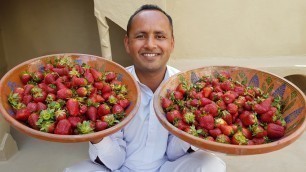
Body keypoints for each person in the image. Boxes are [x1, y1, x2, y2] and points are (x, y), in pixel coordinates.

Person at [64, 4, 226, 172]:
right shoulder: (112, 88)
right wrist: (97, 136)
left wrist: (197, 129)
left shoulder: (185, 88)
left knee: (211, 165)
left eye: (160, 36)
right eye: (141, 36)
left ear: (171, 43)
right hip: (122, 168)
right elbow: (115, 161)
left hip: (168, 168)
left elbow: (173, 154)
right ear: (127, 43)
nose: (150, 44)